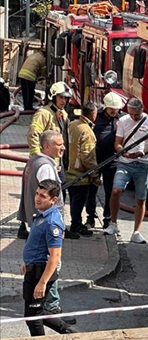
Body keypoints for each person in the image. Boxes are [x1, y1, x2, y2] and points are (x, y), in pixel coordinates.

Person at [21, 179, 77, 336]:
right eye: (37, 194)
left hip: (40, 272)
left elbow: (55, 256)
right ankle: (69, 332)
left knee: (33, 317)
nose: (37, 198)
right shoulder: (42, 214)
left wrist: (42, 283)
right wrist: (26, 261)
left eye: (43, 196)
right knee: (37, 312)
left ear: (54, 200)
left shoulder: (52, 223)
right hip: (33, 269)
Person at [20, 82, 72, 240]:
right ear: (53, 97)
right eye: (61, 97)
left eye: (66, 98)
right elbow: (33, 135)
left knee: (58, 191)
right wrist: (38, 158)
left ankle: (51, 223)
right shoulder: (44, 113)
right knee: (44, 194)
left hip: (57, 161)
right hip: (46, 163)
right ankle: (46, 225)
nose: (63, 101)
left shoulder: (63, 114)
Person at [105, 97, 148, 243]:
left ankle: (136, 232)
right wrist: (122, 151)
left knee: (141, 198)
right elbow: (117, 142)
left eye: (137, 114)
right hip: (125, 162)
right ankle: (113, 223)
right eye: (131, 114)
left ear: (142, 110)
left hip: (143, 163)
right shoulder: (123, 121)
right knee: (116, 190)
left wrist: (142, 153)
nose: (134, 117)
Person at [66, 103, 101, 238]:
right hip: (81, 174)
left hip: (69, 170)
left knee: (74, 199)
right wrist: (94, 174)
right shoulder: (87, 131)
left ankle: (75, 223)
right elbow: (88, 156)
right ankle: (76, 225)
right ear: (93, 114)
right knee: (79, 201)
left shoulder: (73, 125)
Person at [94, 92, 124, 229]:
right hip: (96, 159)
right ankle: (90, 217)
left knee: (110, 191)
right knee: (91, 189)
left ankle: (107, 218)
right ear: (105, 107)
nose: (113, 111)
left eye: (116, 108)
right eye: (111, 108)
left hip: (113, 160)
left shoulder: (122, 119)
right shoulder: (97, 117)